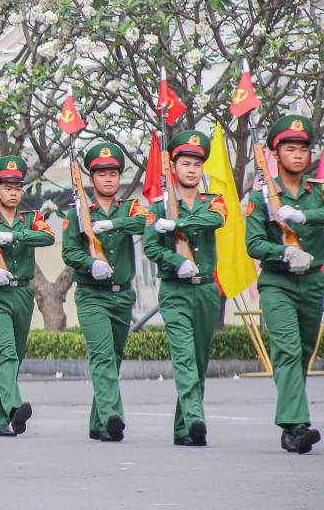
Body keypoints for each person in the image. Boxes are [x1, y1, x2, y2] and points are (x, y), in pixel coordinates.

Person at [245, 114, 323, 454]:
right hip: (278, 283)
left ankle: (292, 423)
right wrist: (284, 252)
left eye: (303, 149)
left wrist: (304, 216)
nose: (298, 155)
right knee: (288, 350)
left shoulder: (317, 194)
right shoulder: (262, 197)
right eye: (290, 149)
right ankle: (296, 425)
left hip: (313, 283)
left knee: (304, 352)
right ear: (275, 155)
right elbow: (253, 244)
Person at [61, 143, 149, 442]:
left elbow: (144, 221)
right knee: (101, 355)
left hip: (122, 295)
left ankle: (98, 423)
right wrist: (89, 263)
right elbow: (69, 253)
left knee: (114, 357)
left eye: (113, 173)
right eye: (101, 174)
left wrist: (111, 224)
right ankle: (113, 415)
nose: (108, 179)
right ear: (92, 178)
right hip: (92, 295)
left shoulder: (130, 208)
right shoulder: (77, 213)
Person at [143, 131, 225, 446]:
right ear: (173, 167)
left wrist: (177, 225)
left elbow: (215, 221)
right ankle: (195, 417)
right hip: (175, 290)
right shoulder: (158, 205)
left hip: (205, 290)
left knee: (200, 358)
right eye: (185, 163)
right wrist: (176, 261)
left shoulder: (211, 202)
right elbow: (151, 246)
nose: (192, 170)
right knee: (184, 356)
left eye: (196, 164)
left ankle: (183, 428)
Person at [0, 155, 55, 437]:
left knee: (14, 357)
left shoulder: (30, 219)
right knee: (5, 354)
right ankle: (15, 407)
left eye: (17, 187)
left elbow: (48, 237)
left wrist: (16, 237)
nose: (13, 192)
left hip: (22, 294)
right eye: (7, 187)